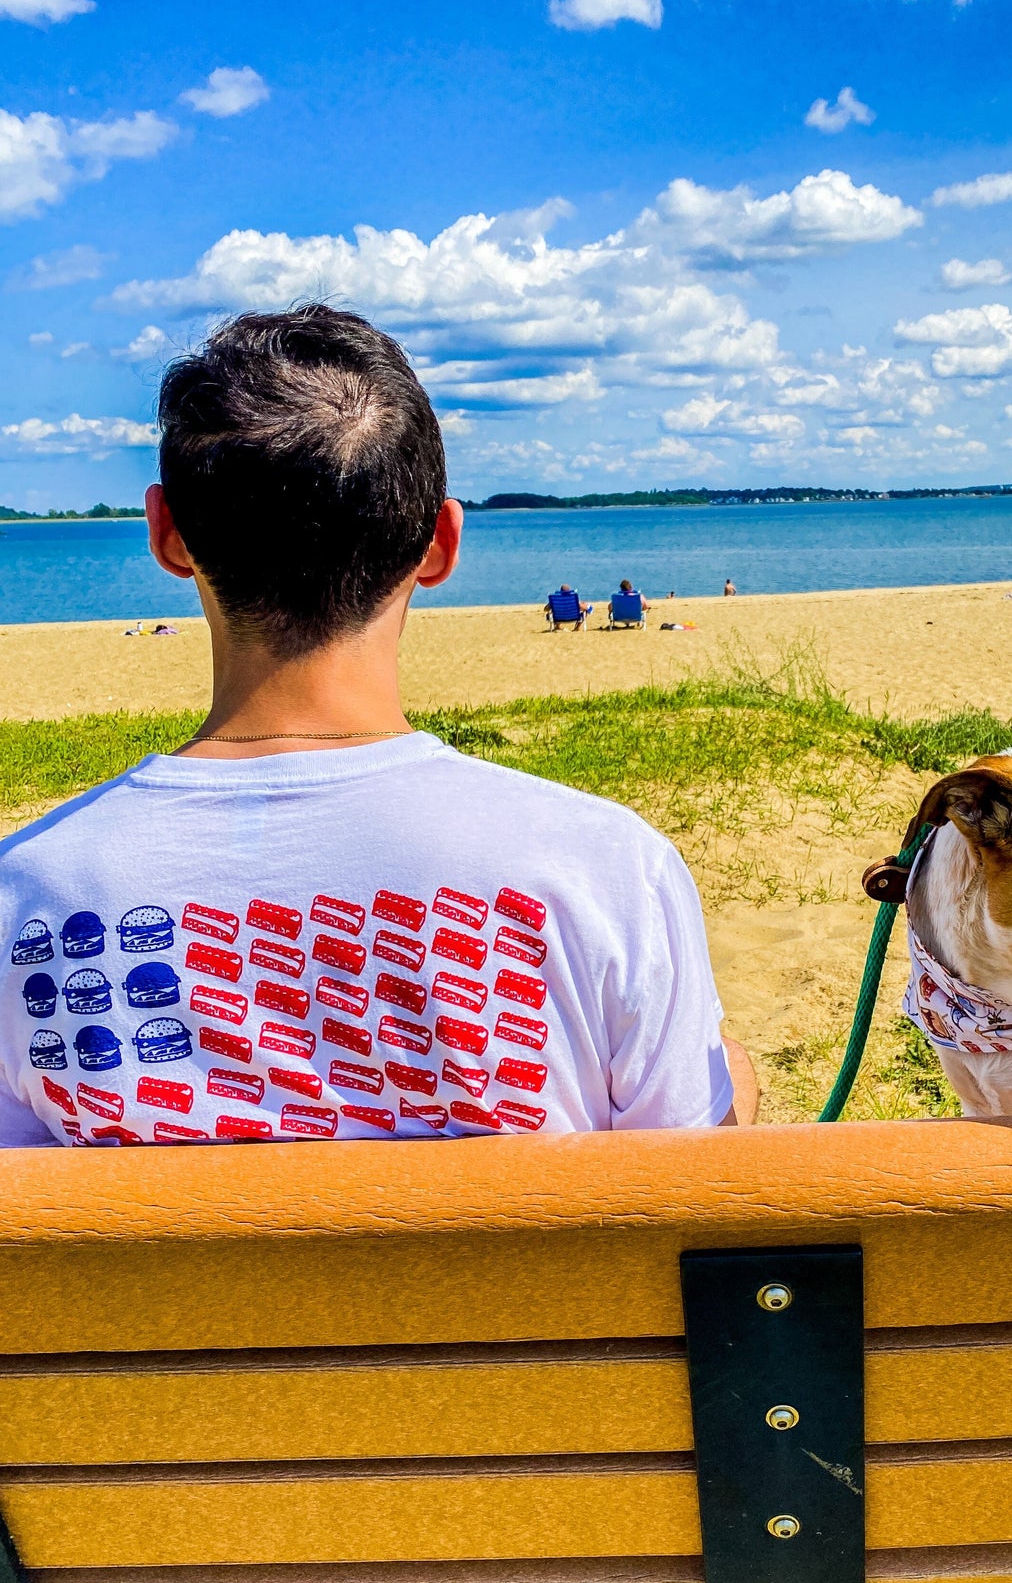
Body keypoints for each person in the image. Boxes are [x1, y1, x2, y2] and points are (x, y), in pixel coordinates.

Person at [0, 305, 754, 1147]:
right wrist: (740, 1080)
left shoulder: (24, 892)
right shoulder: (603, 868)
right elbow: (696, 1189)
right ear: (438, 542)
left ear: (167, 533)